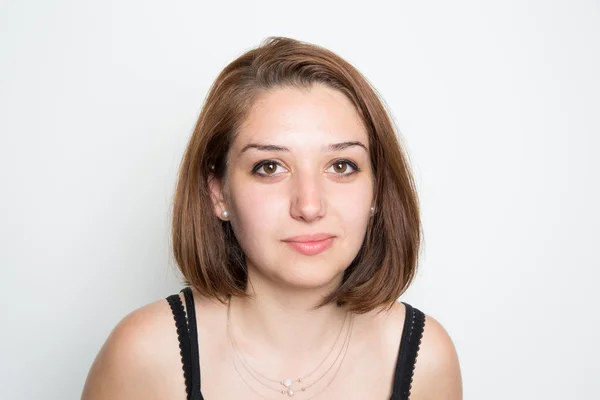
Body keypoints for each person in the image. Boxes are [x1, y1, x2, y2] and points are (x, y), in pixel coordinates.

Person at [82, 36, 462, 400]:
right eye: (270, 167)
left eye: (342, 165)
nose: (310, 206)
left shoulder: (425, 358)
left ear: (376, 190)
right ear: (218, 192)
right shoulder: (144, 355)